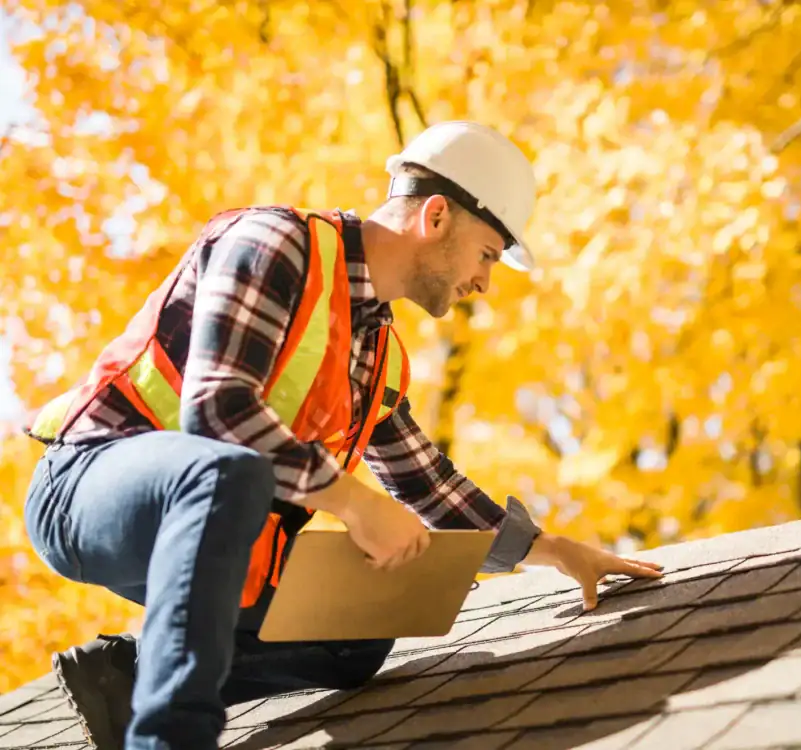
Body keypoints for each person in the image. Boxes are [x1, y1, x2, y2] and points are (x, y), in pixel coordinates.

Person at [21, 121, 664, 750]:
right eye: (487, 255)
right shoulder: (275, 243)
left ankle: (124, 682)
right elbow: (217, 412)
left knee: (356, 635)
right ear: (435, 217)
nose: (484, 283)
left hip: (218, 535)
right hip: (87, 488)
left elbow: (426, 485)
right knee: (228, 469)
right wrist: (355, 504)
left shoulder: (376, 352)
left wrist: (553, 551)